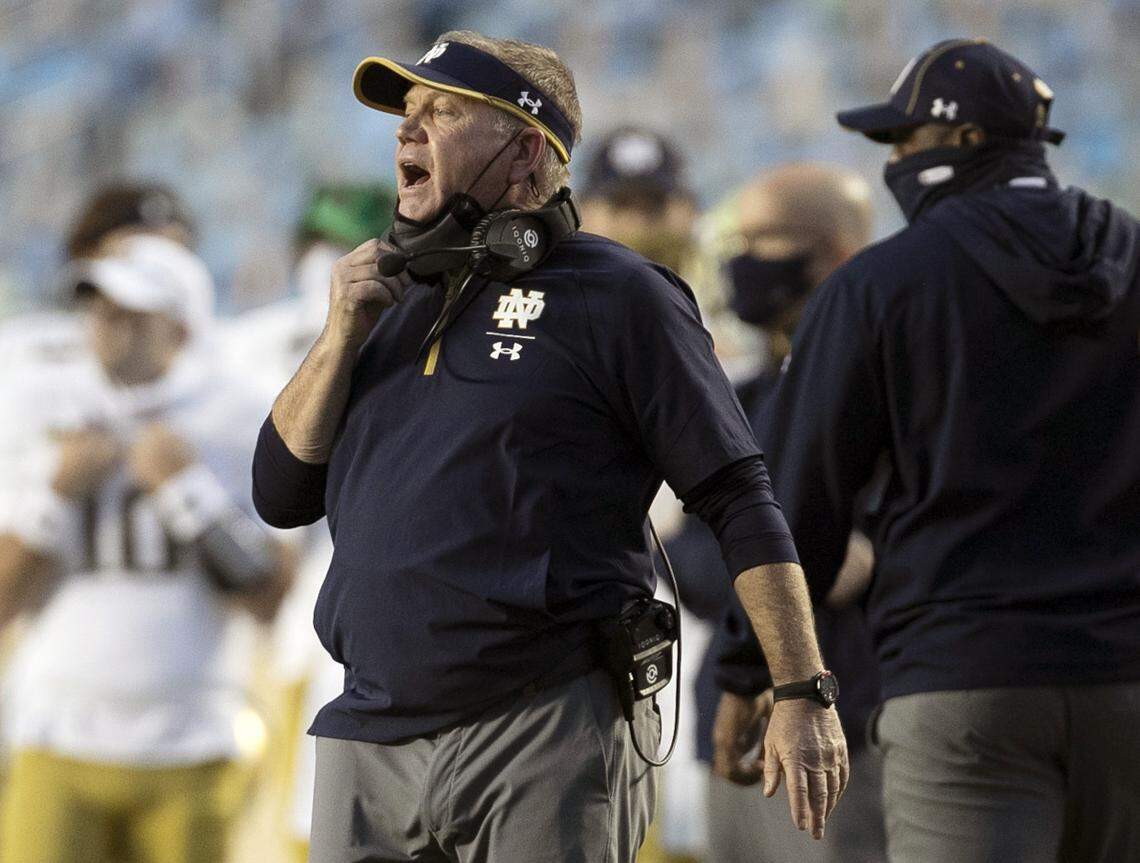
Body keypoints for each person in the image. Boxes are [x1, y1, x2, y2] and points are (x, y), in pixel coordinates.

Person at [252, 29, 847, 863]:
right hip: (368, 734)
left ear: (528, 151)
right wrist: (341, 329)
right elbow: (279, 493)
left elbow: (738, 497)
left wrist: (801, 688)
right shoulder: (384, 301)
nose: (406, 132)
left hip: (541, 723)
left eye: (443, 111)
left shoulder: (621, 296)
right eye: (407, 114)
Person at [712, 38, 1140, 863]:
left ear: (962, 143)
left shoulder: (879, 285)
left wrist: (747, 668)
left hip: (963, 682)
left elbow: (800, 499)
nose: (897, 160)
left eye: (905, 140)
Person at [0, 234, 292, 863]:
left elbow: (274, 600)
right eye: (99, 308)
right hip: (58, 734)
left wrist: (191, 496)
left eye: (133, 313)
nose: (107, 328)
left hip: (193, 739)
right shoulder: (41, 406)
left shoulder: (237, 416)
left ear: (182, 326)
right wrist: (52, 495)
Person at [690, 163, 886, 863]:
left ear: (835, 250)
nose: (744, 263)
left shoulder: (892, 384)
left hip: (849, 723)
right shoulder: (738, 397)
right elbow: (683, 558)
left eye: (764, 242)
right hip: (733, 720)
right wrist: (787, 570)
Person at [224, 182, 397, 863]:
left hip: (340, 605)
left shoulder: (408, 340)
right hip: (282, 613)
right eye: (323, 243)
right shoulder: (246, 347)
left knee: (317, 817)